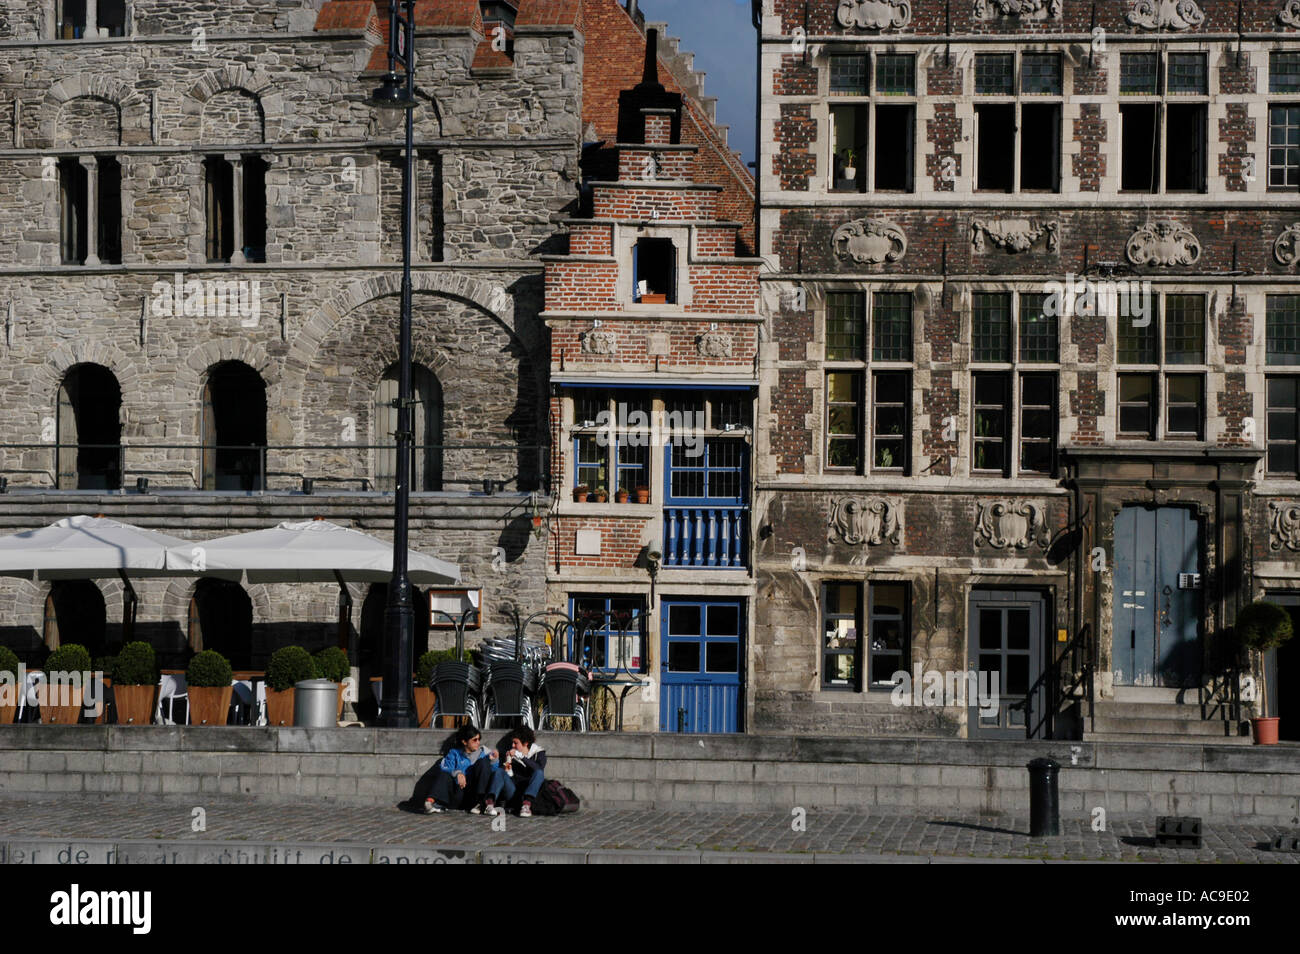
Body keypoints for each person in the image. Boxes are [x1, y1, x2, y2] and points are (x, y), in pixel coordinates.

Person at [422, 723, 500, 815]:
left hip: (474, 795)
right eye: (475, 740)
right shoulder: (454, 753)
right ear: (464, 742)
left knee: (483, 762)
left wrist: (494, 760)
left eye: (479, 739)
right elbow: (444, 767)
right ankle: (429, 802)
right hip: (458, 793)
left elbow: (493, 772)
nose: (478, 742)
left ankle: (481, 803)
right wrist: (457, 773)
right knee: (444, 774)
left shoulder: (484, 752)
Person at [490, 726, 546, 817]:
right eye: (512, 742)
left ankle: (526, 805)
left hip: (530, 795)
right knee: (500, 771)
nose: (513, 745)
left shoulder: (539, 753)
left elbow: (538, 768)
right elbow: (511, 780)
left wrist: (521, 757)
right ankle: (490, 803)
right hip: (514, 793)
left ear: (526, 743)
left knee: (539, 773)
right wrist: (509, 770)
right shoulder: (511, 754)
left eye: (516, 743)